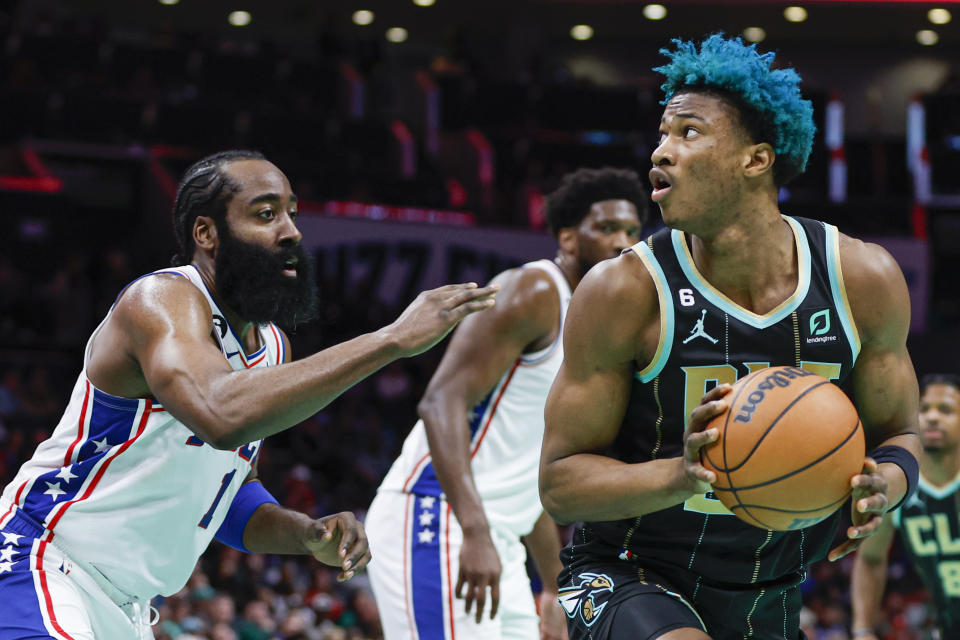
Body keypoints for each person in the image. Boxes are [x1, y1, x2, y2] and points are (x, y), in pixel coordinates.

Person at [0, 150, 498, 639]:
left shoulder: (272, 344)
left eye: (292, 213)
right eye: (266, 214)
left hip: (128, 605)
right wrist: (391, 339)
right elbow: (221, 416)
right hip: (42, 560)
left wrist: (306, 534)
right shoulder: (161, 300)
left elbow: (228, 495)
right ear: (206, 233)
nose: (291, 231)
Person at [539, 35, 922, 640]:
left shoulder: (861, 279)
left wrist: (885, 486)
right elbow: (560, 485)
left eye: (688, 133)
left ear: (756, 160)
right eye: (662, 134)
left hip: (771, 589)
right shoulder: (623, 290)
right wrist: (683, 473)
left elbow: (902, 434)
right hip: (627, 571)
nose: (660, 153)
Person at [366, 167, 648, 640]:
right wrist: (474, 532)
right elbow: (440, 402)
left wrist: (556, 586)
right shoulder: (534, 290)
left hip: (498, 535)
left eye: (633, 231)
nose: (623, 242)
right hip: (437, 517)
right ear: (568, 238)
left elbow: (531, 478)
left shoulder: (595, 326)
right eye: (606, 228)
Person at [851, 374, 960, 639]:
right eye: (923, 409)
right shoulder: (901, 485)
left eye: (945, 410)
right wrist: (863, 629)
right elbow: (870, 558)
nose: (932, 417)